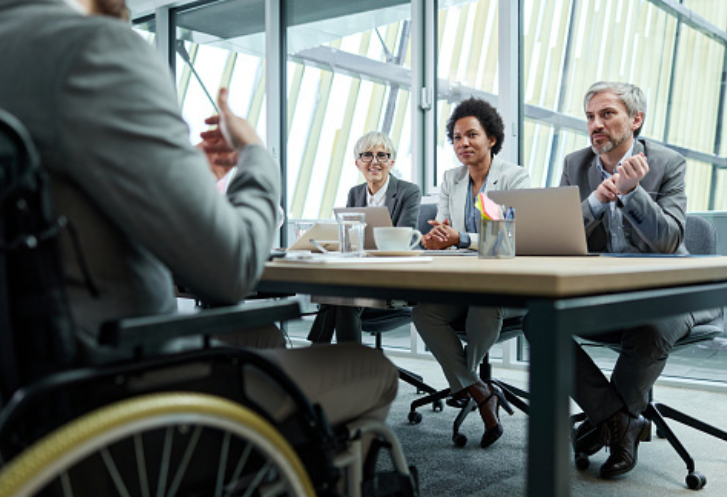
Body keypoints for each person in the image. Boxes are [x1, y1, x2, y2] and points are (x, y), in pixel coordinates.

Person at [0, 0, 397, 432]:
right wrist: (256, 157)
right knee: (369, 367)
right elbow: (231, 269)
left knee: (263, 336)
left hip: (24, 388)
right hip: (112, 392)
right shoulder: (93, 49)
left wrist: (186, 182)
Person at [559, 81, 719, 478]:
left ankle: (608, 422)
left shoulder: (668, 164)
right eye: (591, 116)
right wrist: (596, 200)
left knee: (650, 326)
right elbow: (562, 237)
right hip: (605, 294)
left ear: (636, 120)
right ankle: (619, 420)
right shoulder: (575, 165)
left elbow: (668, 241)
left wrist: (632, 194)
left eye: (607, 114)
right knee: (539, 324)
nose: (596, 124)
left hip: (672, 292)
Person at [411, 97, 530, 448]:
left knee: (484, 307)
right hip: (465, 282)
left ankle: (465, 382)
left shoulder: (513, 177)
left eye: (472, 135)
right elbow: (443, 227)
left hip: (507, 287)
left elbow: (506, 239)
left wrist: (459, 237)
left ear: (491, 138)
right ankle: (479, 388)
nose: (463, 143)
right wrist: (435, 238)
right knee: (424, 312)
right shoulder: (452, 179)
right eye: (457, 137)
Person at [309, 131, 421, 344]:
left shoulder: (409, 192)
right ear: (357, 163)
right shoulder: (355, 193)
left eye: (382, 155)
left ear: (391, 162)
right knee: (338, 294)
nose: (375, 161)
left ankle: (325, 354)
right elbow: (350, 241)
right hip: (361, 277)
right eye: (367, 155)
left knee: (341, 297)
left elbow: (404, 239)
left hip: (392, 279)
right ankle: (339, 358)